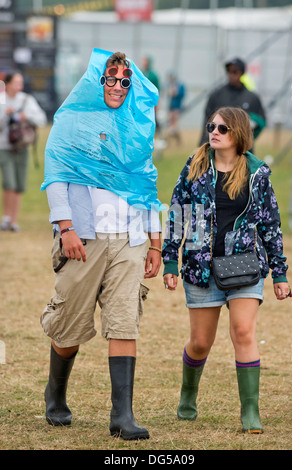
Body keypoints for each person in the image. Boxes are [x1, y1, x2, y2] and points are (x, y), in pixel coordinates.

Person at [40, 50, 163, 440]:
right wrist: (66, 227)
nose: (117, 86)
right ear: (98, 80)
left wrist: (156, 242)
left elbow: (147, 185)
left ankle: (122, 416)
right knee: (70, 326)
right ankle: (55, 392)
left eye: (126, 81)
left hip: (129, 239)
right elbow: (56, 173)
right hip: (84, 237)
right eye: (110, 78)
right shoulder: (74, 121)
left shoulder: (138, 127)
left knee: (125, 322)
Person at [162, 106, 290, 434]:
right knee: (201, 343)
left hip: (244, 266)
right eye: (211, 126)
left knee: (243, 332)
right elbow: (177, 213)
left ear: (238, 135)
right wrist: (170, 260)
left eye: (222, 128)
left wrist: (279, 273)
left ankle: (250, 411)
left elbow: (270, 225)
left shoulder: (256, 174)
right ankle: (188, 394)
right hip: (201, 269)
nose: (214, 132)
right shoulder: (195, 167)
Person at [0, 71, 47, 231]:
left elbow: (41, 119)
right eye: (16, 82)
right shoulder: (2, 99)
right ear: (7, 84)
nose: (19, 86)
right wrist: (6, 115)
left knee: (19, 185)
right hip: (4, 146)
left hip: (22, 146)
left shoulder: (27, 99)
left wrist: (25, 115)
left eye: (21, 82)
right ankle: (6, 218)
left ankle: (13, 221)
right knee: (9, 183)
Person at [199, 58, 266, 147]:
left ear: (242, 73)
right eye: (229, 71)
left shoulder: (252, 97)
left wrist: (247, 133)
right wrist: (204, 143)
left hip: (242, 148)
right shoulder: (216, 95)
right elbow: (207, 120)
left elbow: (260, 121)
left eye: (235, 72)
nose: (231, 75)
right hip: (219, 149)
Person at [141, 56, 160, 133]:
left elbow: (158, 91)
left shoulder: (153, 76)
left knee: (153, 118)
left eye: (145, 61)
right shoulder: (140, 73)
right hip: (142, 100)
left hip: (151, 100)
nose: (144, 63)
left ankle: (155, 134)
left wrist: (157, 104)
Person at [166, 72, 185, 144]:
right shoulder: (170, 85)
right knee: (170, 123)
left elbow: (181, 94)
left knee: (175, 124)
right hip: (171, 107)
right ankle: (170, 140)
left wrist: (175, 93)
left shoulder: (180, 85)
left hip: (177, 107)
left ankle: (178, 140)